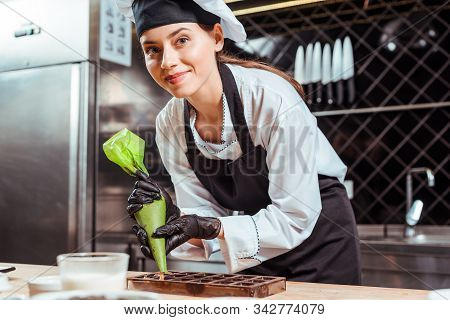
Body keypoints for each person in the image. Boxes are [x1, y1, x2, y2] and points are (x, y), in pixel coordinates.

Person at [117, 0, 361, 284]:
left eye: (182, 40)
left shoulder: (271, 99)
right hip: (258, 247)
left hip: (321, 238)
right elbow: (202, 215)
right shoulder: (169, 123)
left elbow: (296, 217)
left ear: (217, 38)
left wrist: (212, 227)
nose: (167, 61)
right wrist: (173, 223)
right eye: (152, 49)